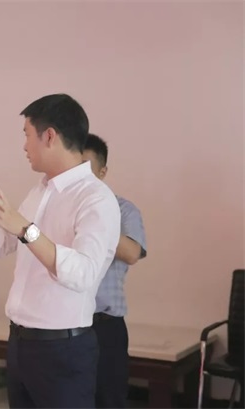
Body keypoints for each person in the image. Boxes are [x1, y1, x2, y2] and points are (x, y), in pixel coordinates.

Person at [0, 94, 121, 408]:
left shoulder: (96, 197)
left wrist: (27, 229)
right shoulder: (41, 190)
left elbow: (83, 272)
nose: (24, 146)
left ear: (49, 136)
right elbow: (4, 243)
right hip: (21, 343)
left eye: (27, 135)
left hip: (62, 349)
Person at [82, 133, 147, 408]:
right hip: (66, 325)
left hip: (105, 325)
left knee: (110, 398)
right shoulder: (61, 207)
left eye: (85, 169)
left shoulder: (123, 210)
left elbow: (132, 253)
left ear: (103, 172)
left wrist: (94, 218)